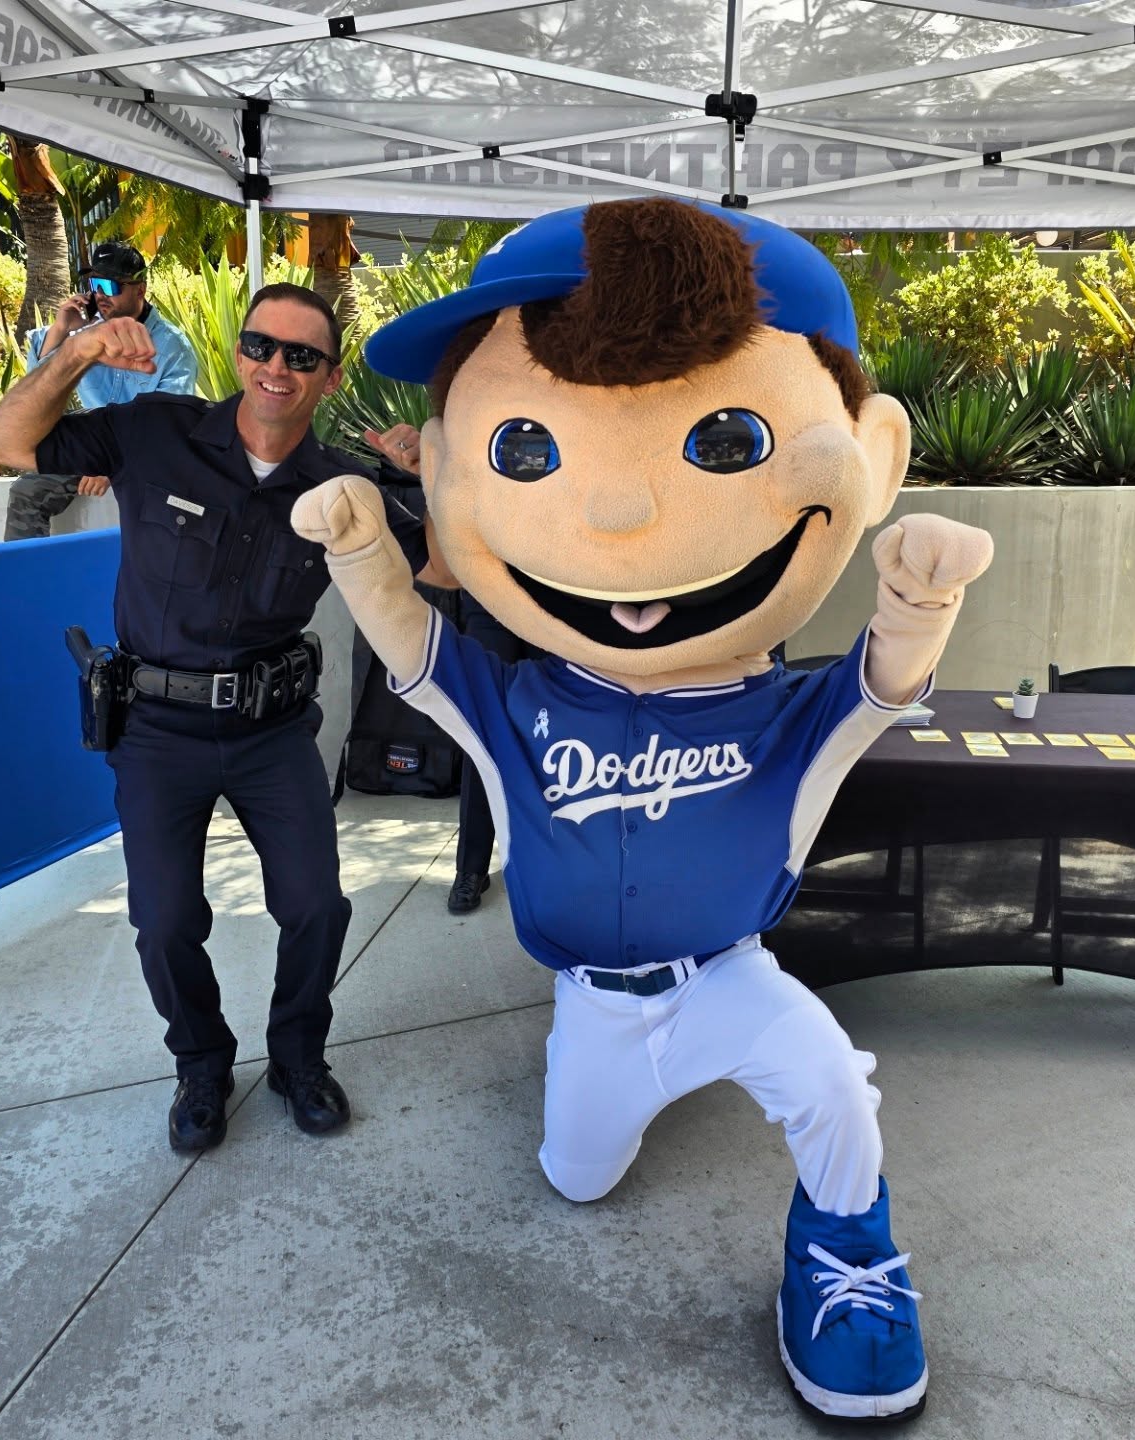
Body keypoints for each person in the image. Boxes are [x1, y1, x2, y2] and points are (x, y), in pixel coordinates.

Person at [292, 199, 992, 1422]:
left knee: (832, 1082)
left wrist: (919, 607)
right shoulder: (521, 699)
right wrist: (363, 559)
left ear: (870, 457)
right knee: (577, 1179)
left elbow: (880, 687)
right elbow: (416, 655)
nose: (618, 519)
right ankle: (620, 1102)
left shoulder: (781, 711)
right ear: (450, 467)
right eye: (524, 449)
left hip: (728, 978)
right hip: (595, 1007)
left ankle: (847, 1255)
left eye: (724, 439)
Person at [0, 282, 444, 1153]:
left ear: (331, 376)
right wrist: (77, 350)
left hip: (273, 732)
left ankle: (298, 1058)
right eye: (261, 345)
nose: (277, 367)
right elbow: (3, 441)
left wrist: (436, 482)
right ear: (238, 352)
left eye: (302, 355)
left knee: (316, 907)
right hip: (158, 730)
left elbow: (444, 573)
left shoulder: (344, 484)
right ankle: (200, 1065)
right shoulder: (155, 432)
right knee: (164, 923)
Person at [3, 240, 197, 541]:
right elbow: (37, 392)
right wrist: (62, 330)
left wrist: (111, 463)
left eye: (110, 286)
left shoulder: (172, 347)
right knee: (26, 492)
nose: (100, 295)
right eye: (95, 284)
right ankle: (30, 570)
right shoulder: (83, 333)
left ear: (140, 289)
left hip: (145, 451)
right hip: (91, 444)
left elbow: (167, 425)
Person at [446, 591, 541, 914]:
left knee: (549, 733)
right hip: (491, 599)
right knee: (483, 734)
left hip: (554, 604)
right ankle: (471, 869)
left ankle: (547, 865)